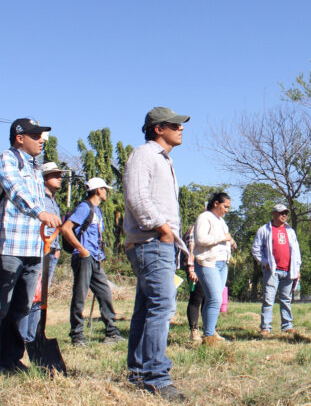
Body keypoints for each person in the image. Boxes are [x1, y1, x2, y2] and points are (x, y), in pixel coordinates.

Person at [0, 118, 61, 375]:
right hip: (6, 246)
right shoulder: (6, 160)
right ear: (19, 137)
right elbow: (15, 189)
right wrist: (40, 212)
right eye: (35, 135)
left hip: (33, 249)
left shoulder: (35, 167)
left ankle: (10, 361)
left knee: (20, 309)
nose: (41, 139)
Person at [123, 106, 190, 401]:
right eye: (175, 124)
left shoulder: (164, 160)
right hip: (151, 242)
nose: (181, 128)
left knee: (146, 308)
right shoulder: (144, 155)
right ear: (158, 128)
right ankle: (156, 377)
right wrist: (162, 229)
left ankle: (138, 373)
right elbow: (137, 197)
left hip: (158, 243)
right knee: (162, 307)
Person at [61, 177, 122, 345]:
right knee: (80, 295)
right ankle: (77, 335)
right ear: (98, 190)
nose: (106, 192)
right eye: (105, 189)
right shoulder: (84, 207)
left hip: (96, 258)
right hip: (84, 257)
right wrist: (81, 250)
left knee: (105, 293)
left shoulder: (98, 211)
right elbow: (66, 229)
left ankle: (112, 332)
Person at [17, 161, 67, 343]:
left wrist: (58, 248)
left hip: (51, 251)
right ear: (44, 179)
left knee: (41, 297)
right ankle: (22, 337)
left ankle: (34, 336)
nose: (59, 179)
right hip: (40, 252)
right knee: (32, 295)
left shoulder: (53, 201)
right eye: (55, 175)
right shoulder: (39, 200)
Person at [192, 192, 236, 346]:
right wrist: (223, 238)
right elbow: (201, 239)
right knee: (215, 299)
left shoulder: (221, 221)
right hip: (208, 263)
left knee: (214, 299)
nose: (227, 210)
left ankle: (210, 331)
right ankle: (209, 337)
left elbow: (226, 236)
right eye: (225, 206)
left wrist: (231, 242)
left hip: (222, 264)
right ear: (216, 203)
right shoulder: (205, 218)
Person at [252, 204, 302, 335]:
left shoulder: (290, 231)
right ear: (274, 214)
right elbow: (256, 250)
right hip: (272, 270)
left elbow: (296, 251)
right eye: (281, 213)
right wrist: (265, 262)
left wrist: (297, 269)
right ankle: (266, 327)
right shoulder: (264, 230)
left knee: (286, 299)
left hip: (288, 270)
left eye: (286, 213)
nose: (284, 215)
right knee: (268, 299)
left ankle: (287, 325)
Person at [183, 224, 205, 344]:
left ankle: (209, 330)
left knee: (208, 300)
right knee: (196, 299)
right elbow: (190, 250)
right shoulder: (195, 228)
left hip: (208, 269)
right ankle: (194, 330)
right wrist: (192, 269)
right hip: (197, 269)